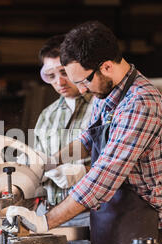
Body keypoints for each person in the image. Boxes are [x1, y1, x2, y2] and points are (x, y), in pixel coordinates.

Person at [6, 21, 162, 244]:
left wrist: (45, 221)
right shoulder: (105, 95)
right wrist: (48, 164)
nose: (82, 90)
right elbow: (86, 139)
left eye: (84, 81)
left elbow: (105, 175)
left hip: (138, 224)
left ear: (106, 66)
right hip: (107, 217)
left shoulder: (141, 103)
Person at [32, 35, 94, 227]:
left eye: (64, 72)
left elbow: (119, 166)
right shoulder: (46, 116)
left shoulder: (100, 108)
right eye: (51, 76)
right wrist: (33, 168)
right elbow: (38, 165)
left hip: (89, 215)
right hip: (50, 213)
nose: (59, 82)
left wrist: (84, 173)